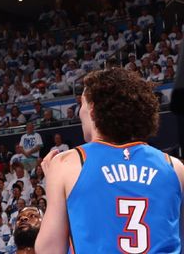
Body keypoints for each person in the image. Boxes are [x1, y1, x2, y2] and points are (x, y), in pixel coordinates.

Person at [35, 68, 184, 253]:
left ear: (92, 109)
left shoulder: (67, 164)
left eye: (81, 103)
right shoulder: (175, 167)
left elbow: (49, 249)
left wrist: (55, 186)